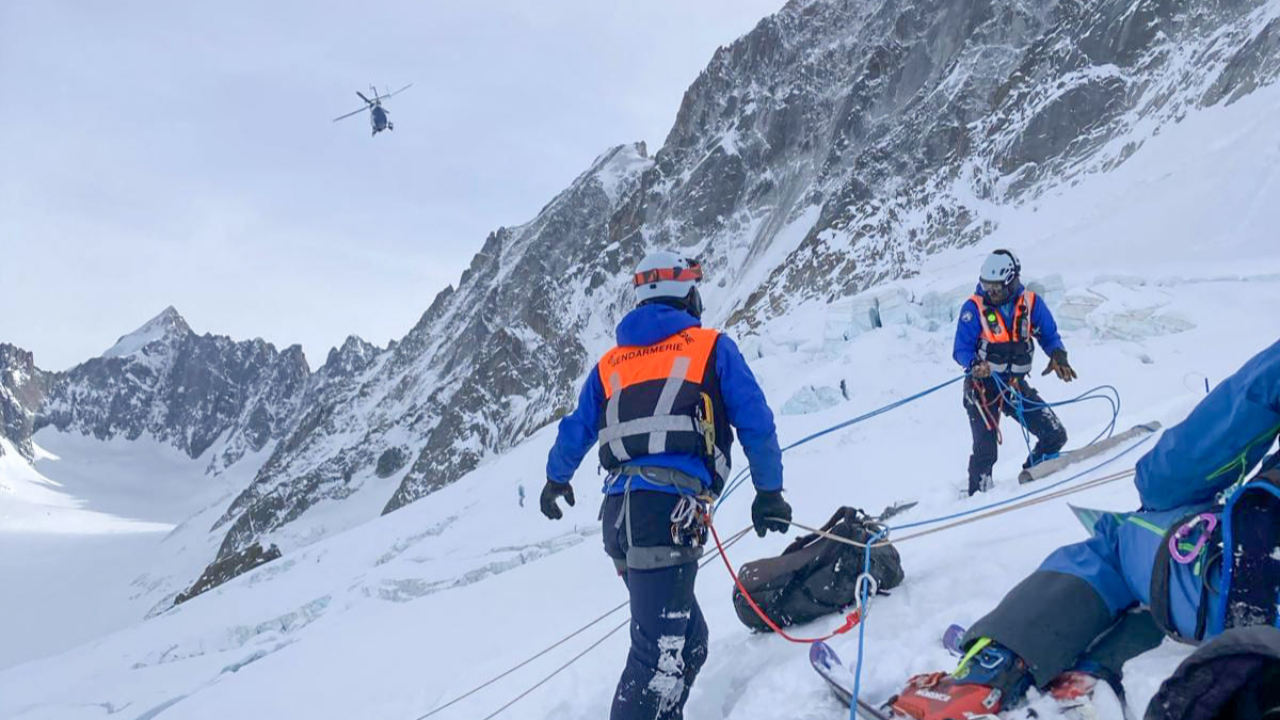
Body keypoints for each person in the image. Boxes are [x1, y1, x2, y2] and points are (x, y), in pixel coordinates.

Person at [889, 338, 1280, 720]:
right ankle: (1093, 674)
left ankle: (988, 672)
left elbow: (1179, 465)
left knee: (1118, 540)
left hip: (1250, 586)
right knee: (1155, 590)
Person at [541, 251, 791, 720]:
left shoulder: (612, 363)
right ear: (687, 297)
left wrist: (556, 479)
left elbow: (577, 426)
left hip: (619, 521)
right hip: (667, 517)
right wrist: (769, 491)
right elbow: (755, 421)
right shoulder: (711, 347)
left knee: (688, 643)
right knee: (660, 655)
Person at [953, 250, 1076, 496]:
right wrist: (975, 363)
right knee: (985, 452)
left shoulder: (1031, 304)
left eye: (996, 287)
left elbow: (1048, 335)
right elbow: (961, 349)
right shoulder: (973, 308)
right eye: (987, 286)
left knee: (1054, 435)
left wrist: (1058, 354)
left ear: (1011, 281)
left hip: (1013, 386)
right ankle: (977, 498)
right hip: (982, 389)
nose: (991, 292)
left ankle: (1033, 478)